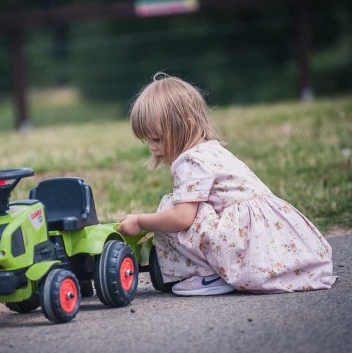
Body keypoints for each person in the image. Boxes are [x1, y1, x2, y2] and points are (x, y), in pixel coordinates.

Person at [117, 73, 337, 296]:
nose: (152, 148)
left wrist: (141, 221)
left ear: (185, 127)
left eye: (157, 139)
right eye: (148, 141)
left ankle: (209, 276)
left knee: (170, 209)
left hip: (240, 240)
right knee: (183, 208)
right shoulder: (212, 150)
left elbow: (181, 219)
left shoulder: (190, 161)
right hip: (260, 237)